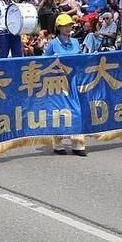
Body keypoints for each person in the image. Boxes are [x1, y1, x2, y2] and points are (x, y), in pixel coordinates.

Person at [42, 14, 87, 155]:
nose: (68, 28)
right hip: (58, 82)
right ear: (59, 27)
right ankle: (58, 143)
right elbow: (45, 63)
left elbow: (80, 59)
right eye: (65, 26)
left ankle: (78, 145)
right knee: (59, 111)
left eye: (70, 25)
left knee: (76, 111)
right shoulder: (53, 44)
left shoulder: (75, 42)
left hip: (73, 81)